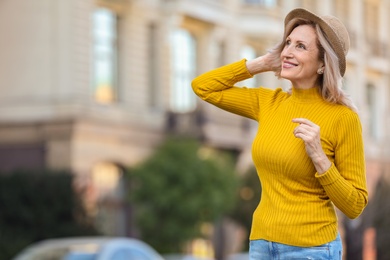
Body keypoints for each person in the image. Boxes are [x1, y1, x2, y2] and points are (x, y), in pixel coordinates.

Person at [192, 8, 368, 259]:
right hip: (262, 244)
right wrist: (260, 64)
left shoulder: (343, 118)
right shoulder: (269, 103)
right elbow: (203, 87)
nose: (287, 52)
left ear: (322, 63)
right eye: (287, 43)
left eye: (300, 46)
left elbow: (355, 206)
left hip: (311, 248)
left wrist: (320, 157)